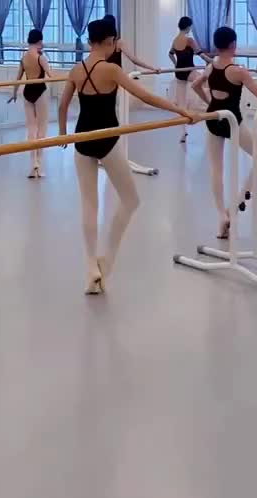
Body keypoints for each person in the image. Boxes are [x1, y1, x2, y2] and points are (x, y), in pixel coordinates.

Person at [59, 18, 195, 295]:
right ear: (110, 41)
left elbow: (62, 106)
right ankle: (107, 260)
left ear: (90, 41)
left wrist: (62, 134)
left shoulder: (76, 69)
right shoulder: (111, 69)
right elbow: (145, 96)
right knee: (131, 200)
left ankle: (91, 267)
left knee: (89, 205)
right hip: (107, 139)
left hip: (82, 138)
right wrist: (180, 110)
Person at [192, 26, 257, 240]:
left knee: (216, 169)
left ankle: (222, 216)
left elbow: (195, 85)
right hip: (232, 123)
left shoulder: (211, 67)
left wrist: (210, 103)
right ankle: (239, 200)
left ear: (217, 45)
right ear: (233, 44)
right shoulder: (238, 71)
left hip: (213, 119)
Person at [11, 29, 51, 179]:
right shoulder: (41, 58)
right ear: (40, 41)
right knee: (42, 128)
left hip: (27, 92)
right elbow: (51, 75)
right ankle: (39, 164)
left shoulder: (23, 58)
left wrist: (14, 93)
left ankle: (33, 163)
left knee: (31, 128)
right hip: (40, 91)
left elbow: (17, 78)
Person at [168, 16, 210, 143]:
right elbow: (201, 54)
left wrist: (175, 64)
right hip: (189, 70)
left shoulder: (175, 40)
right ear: (188, 26)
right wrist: (212, 61)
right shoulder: (189, 40)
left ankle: (183, 132)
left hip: (179, 72)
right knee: (206, 84)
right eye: (190, 26)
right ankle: (210, 106)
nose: (191, 28)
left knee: (181, 104)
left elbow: (170, 54)